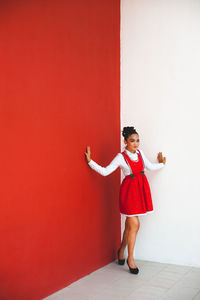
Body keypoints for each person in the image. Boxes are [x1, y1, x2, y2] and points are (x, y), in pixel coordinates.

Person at [84, 126, 166, 274]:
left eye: (137, 140)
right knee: (135, 224)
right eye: (132, 140)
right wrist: (90, 162)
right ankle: (131, 259)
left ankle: (121, 251)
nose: (136, 143)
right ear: (125, 141)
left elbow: (150, 167)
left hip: (140, 193)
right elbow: (105, 171)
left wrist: (162, 163)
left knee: (130, 226)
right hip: (128, 194)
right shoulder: (121, 157)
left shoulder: (140, 153)